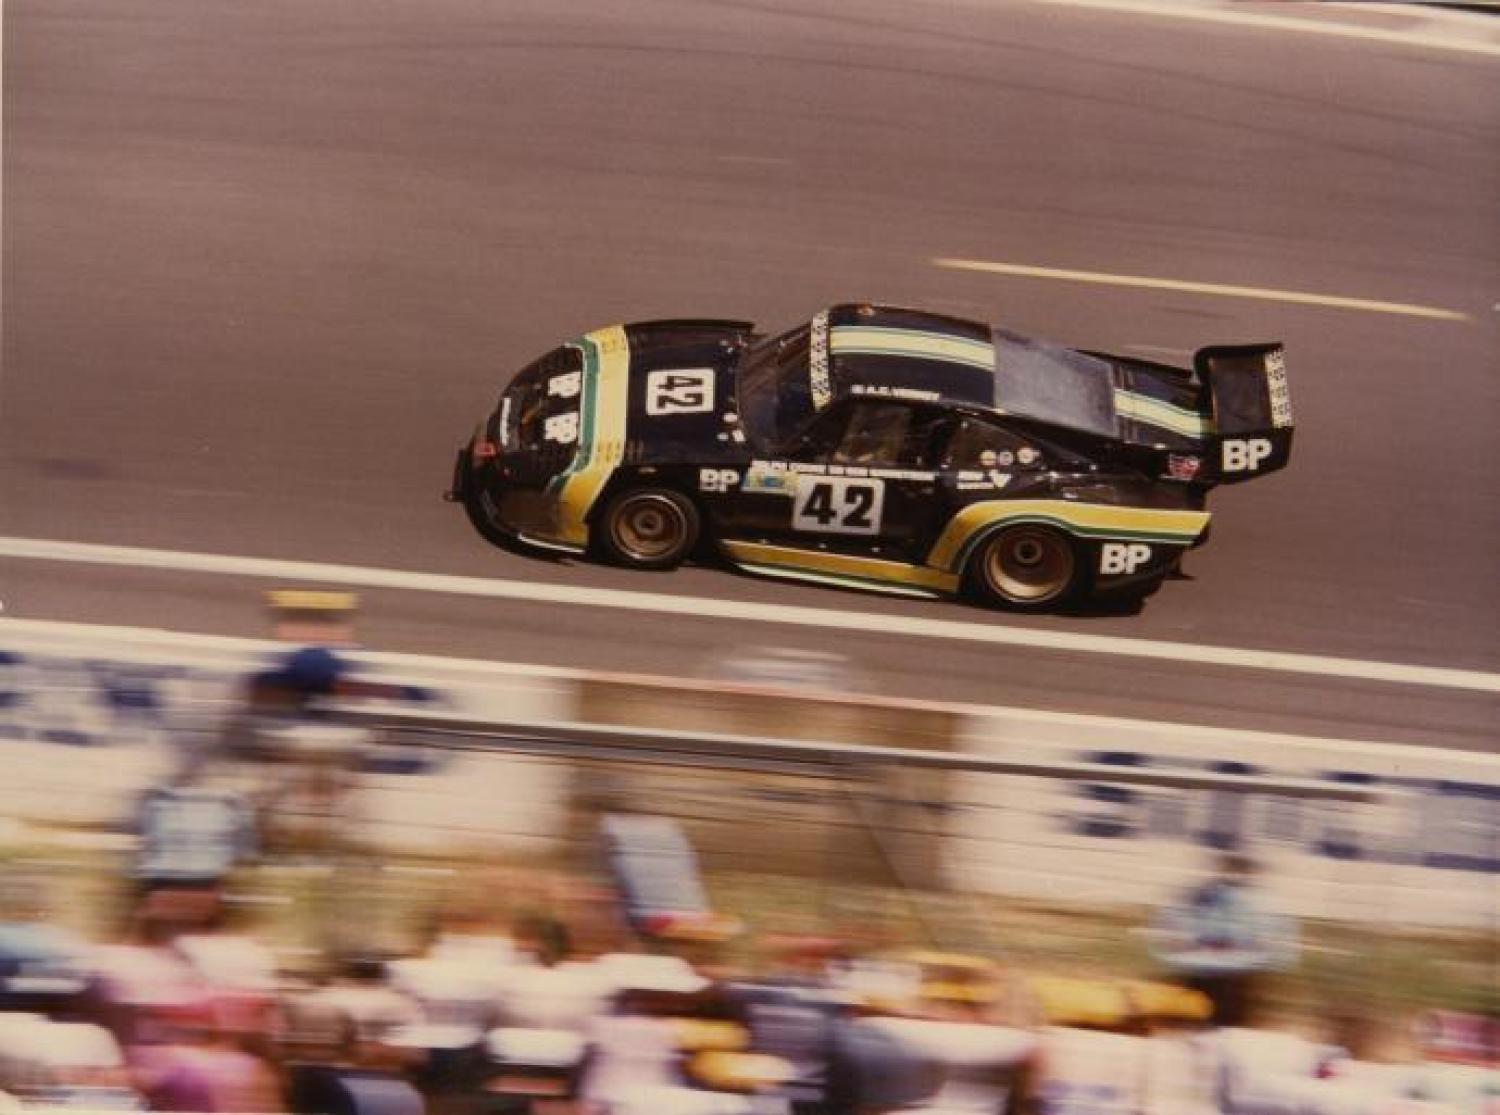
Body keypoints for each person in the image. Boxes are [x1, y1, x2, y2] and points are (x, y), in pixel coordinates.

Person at [1150, 854, 1297, 1028]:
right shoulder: (1200, 897)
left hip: (1235, 977)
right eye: (1229, 871)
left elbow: (1276, 946)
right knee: (1203, 1016)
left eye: (1238, 872)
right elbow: (1172, 932)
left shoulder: (1261, 903)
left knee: (1220, 1017)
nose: (1233, 877)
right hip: (1210, 973)